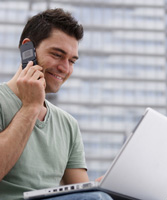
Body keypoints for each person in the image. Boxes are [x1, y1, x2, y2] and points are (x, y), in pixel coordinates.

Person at [0, 8, 113, 200]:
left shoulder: (68, 124)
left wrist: (105, 187)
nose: (65, 68)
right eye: (57, 54)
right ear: (27, 50)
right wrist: (30, 107)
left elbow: (80, 192)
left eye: (72, 61)